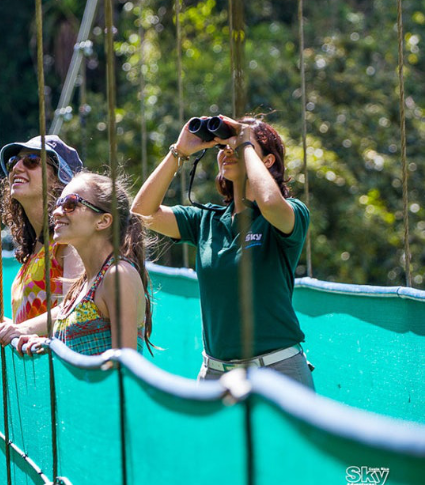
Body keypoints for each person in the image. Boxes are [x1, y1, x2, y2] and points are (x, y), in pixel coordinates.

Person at [131, 115, 314, 388]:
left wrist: (245, 142)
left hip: (278, 372)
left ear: (267, 161)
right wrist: (178, 151)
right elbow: (141, 213)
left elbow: (269, 202)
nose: (230, 150)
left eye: (241, 146)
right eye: (224, 147)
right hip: (216, 374)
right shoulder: (206, 220)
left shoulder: (290, 213)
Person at [17, 171, 154, 356]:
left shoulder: (118, 275)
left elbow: (124, 371)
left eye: (71, 204)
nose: (56, 212)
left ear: (103, 221)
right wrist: (48, 344)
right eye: (59, 204)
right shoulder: (82, 285)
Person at [0, 135, 83, 346]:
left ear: (59, 179)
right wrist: (12, 326)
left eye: (31, 160)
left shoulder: (72, 240)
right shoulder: (37, 248)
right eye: (13, 162)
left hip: (63, 374)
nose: (16, 168)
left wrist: (22, 328)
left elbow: (76, 306)